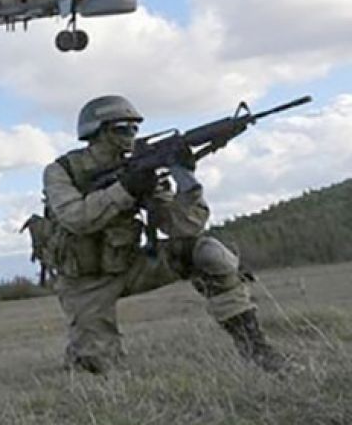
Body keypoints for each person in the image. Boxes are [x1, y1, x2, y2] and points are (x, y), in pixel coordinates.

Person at [41, 94, 285, 374]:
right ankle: (82, 358)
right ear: (96, 132)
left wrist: (186, 180)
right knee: (97, 369)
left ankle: (258, 351)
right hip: (85, 282)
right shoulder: (62, 171)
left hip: (130, 265)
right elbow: (76, 218)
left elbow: (183, 228)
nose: (130, 136)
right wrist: (126, 190)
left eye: (134, 128)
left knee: (209, 253)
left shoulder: (140, 170)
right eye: (121, 128)